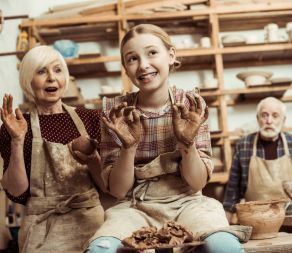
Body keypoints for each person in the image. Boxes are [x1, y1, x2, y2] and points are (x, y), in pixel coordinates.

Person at [86, 24, 248, 253]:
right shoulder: (116, 113)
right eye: (132, 59)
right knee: (100, 249)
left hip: (188, 204)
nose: (143, 65)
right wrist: (128, 147)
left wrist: (187, 143)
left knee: (224, 246)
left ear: (171, 56)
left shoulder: (191, 106)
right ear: (125, 68)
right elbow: (118, 191)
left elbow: (198, 183)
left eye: (152, 53)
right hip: (135, 208)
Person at [0, 46, 105, 252]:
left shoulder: (90, 119)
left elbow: (106, 185)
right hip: (40, 227)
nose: (51, 78)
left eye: (57, 70)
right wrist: (17, 140)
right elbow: (16, 191)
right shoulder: (16, 125)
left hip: (89, 219)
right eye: (41, 71)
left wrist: (93, 158)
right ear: (28, 80)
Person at [223, 97, 292, 222]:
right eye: (264, 115)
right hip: (256, 221)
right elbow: (232, 193)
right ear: (258, 119)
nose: (269, 121)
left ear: (283, 120)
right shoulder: (243, 146)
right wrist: (224, 228)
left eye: (275, 116)